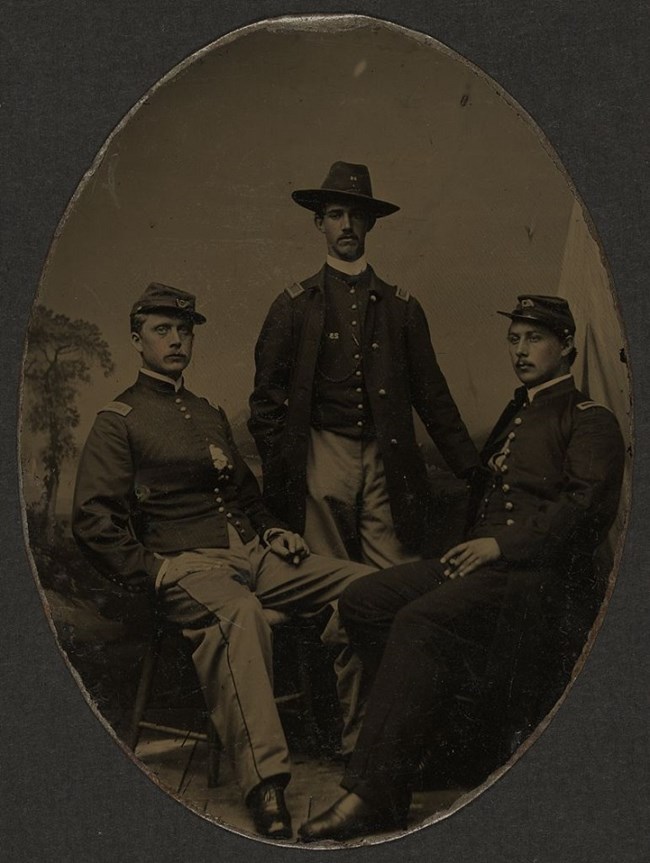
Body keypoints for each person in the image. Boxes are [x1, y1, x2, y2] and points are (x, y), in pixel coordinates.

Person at [298, 294, 626, 842]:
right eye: (514, 339)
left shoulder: (589, 420)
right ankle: (426, 740)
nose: (520, 351)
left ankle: (375, 794)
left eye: (535, 339)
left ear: (566, 346)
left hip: (539, 579)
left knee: (419, 621)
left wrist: (498, 548)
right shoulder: (517, 413)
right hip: (487, 568)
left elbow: (585, 510)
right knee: (364, 601)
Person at [72, 283, 374, 840]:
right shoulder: (119, 419)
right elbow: (93, 519)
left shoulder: (208, 413)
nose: (177, 340)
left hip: (252, 555)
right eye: (163, 330)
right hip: (188, 567)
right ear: (137, 339)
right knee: (241, 615)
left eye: (184, 330)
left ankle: (368, 755)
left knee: (366, 587)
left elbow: (246, 494)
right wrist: (157, 570)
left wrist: (274, 530)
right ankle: (266, 785)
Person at [248, 160, 479, 568]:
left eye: (357, 215)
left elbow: (433, 397)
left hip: (386, 456)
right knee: (325, 571)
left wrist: (471, 468)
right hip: (319, 454)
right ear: (319, 223)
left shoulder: (401, 308)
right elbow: (266, 402)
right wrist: (286, 467)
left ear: (371, 223)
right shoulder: (294, 306)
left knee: (393, 572)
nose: (347, 225)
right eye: (336, 215)